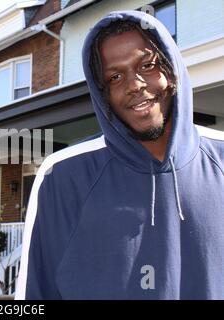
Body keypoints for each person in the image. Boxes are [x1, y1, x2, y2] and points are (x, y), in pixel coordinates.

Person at [15, 10, 224, 300]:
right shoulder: (63, 177)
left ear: (172, 69)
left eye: (148, 65)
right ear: (102, 93)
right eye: (114, 76)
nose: (135, 85)